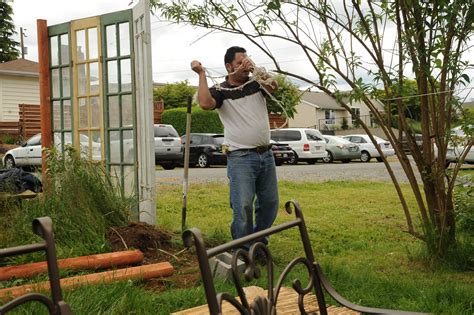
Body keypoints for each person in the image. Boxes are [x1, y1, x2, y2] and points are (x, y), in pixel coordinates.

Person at [190, 46, 279, 249]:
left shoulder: (256, 84)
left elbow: (273, 86)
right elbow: (205, 103)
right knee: (243, 205)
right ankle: (243, 250)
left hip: (266, 154)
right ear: (229, 66)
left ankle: (257, 244)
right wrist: (201, 73)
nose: (244, 66)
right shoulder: (221, 91)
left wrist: (255, 68)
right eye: (240, 63)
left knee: (270, 204)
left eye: (246, 61)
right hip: (241, 158)